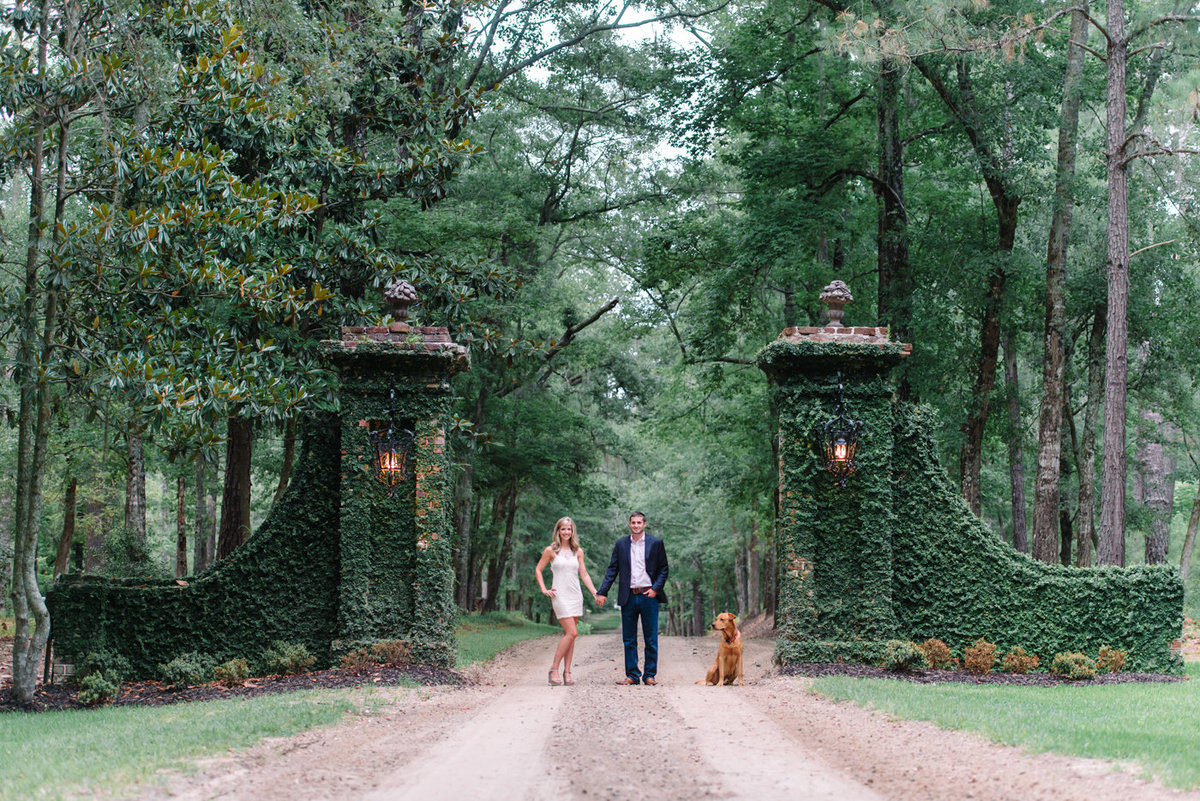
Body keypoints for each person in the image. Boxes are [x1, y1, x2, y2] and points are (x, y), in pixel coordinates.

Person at [595, 511, 669, 685]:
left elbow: (664, 569)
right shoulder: (621, 544)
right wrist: (602, 591)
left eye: (639, 523)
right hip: (628, 596)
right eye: (633, 523)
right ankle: (632, 675)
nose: (636, 525)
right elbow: (612, 569)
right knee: (629, 639)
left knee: (651, 638)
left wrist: (655, 589)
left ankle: (650, 675)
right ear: (629, 524)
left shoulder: (656, 543)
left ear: (644, 524)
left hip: (648, 596)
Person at [534, 516, 600, 686]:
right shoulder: (550, 551)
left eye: (569, 529)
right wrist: (544, 589)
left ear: (572, 531)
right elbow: (538, 570)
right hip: (559, 595)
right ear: (558, 531)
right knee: (572, 632)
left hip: (575, 595)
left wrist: (594, 592)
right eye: (563, 529)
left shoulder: (578, 551)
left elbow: (584, 574)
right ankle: (554, 668)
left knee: (570, 636)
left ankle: (567, 672)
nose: (566, 532)